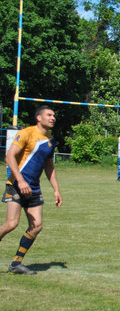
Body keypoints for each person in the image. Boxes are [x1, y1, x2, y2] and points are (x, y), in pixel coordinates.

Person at [1, 105, 62, 275]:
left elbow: (49, 167)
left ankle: (16, 264)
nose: (53, 118)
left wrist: (56, 190)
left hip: (34, 188)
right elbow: (9, 157)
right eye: (49, 115)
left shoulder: (50, 140)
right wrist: (20, 181)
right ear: (39, 118)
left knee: (36, 226)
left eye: (54, 115)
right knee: (11, 224)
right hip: (15, 185)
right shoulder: (26, 133)